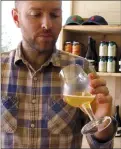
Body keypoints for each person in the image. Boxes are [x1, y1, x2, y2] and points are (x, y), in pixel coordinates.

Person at [1, 1, 117, 149]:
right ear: (16, 18)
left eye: (55, 15)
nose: (47, 24)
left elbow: (101, 146)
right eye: (36, 14)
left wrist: (102, 124)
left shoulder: (81, 68)